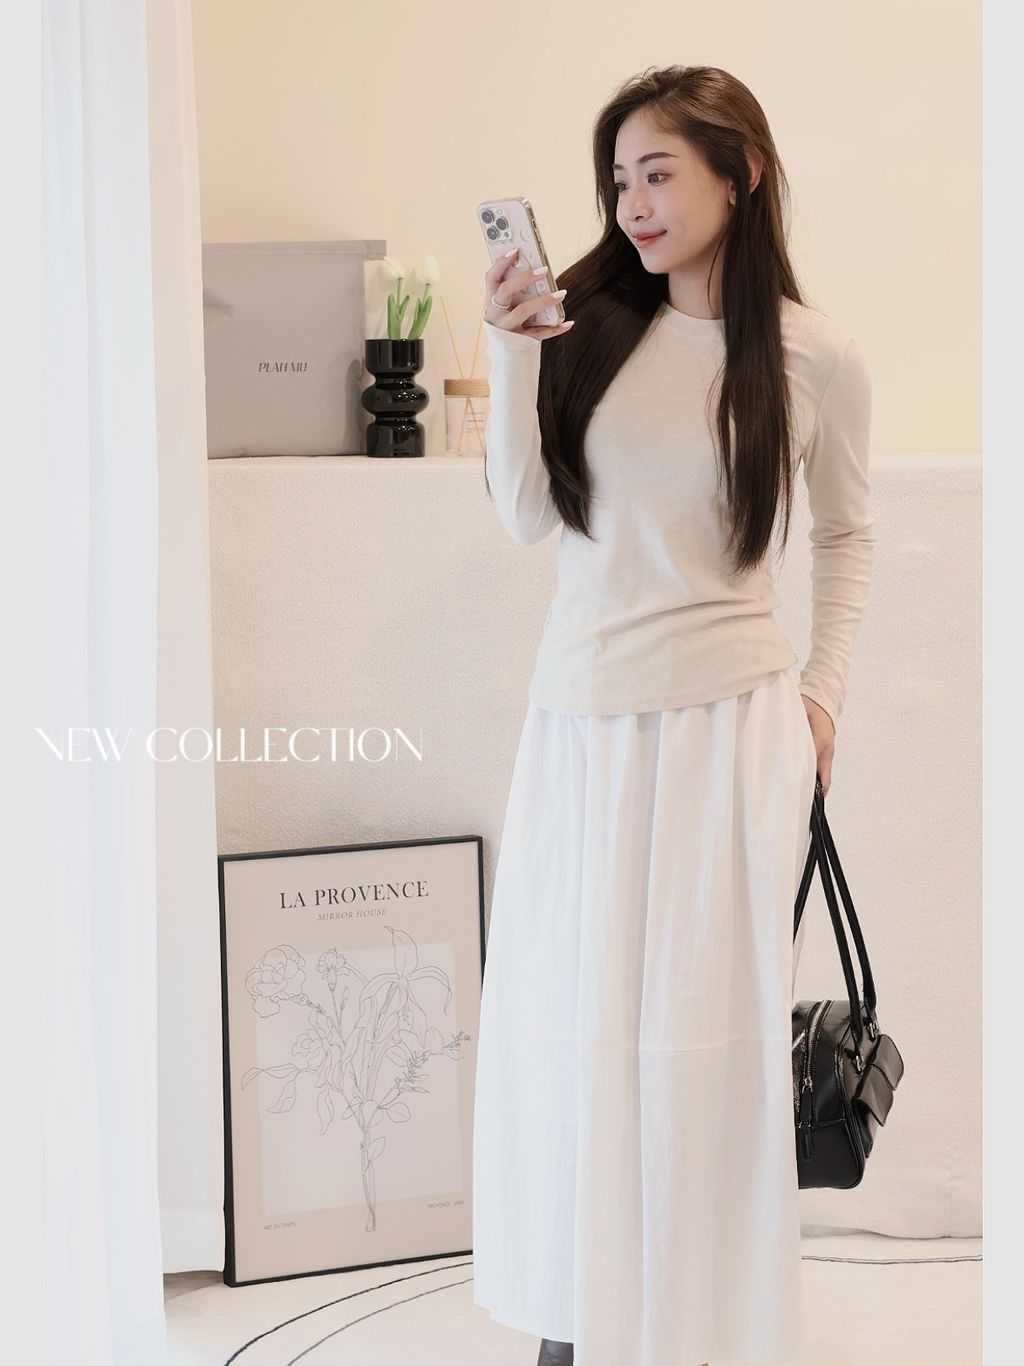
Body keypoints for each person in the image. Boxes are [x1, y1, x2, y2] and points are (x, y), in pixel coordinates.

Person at [470, 64, 876, 1366]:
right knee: (577, 1032)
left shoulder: (815, 357)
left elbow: (849, 538)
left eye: (658, 173)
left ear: (739, 174)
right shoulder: (584, 325)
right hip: (580, 730)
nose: (632, 204)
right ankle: (580, 1315)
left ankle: (693, 1325)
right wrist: (508, 351)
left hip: (730, 735)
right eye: (618, 180)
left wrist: (821, 695)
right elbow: (525, 515)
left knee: (702, 1048)